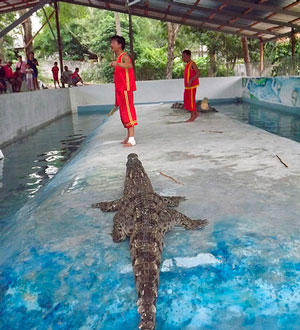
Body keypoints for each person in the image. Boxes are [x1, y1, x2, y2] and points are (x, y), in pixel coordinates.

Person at [110, 35, 137, 147]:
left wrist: (118, 64)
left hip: (126, 89)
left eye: (113, 42)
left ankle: (132, 139)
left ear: (120, 44)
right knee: (123, 113)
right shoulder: (118, 57)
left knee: (128, 112)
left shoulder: (124, 56)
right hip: (121, 90)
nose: (111, 45)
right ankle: (128, 136)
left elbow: (130, 65)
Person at [182, 49, 200, 122]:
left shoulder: (192, 63)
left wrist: (191, 80)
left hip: (192, 86)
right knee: (187, 100)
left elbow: (198, 73)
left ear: (189, 56)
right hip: (187, 86)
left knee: (191, 101)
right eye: (182, 56)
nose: (183, 58)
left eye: (184, 56)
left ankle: (193, 116)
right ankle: (196, 113)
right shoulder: (187, 64)